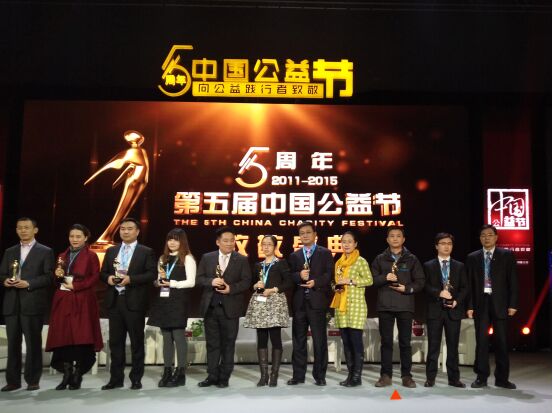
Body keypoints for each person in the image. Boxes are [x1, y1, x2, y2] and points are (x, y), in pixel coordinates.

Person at [100, 217, 156, 390]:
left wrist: (130, 279)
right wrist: (109, 278)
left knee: (136, 342)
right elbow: (103, 273)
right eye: (122, 228)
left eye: (129, 228)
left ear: (137, 231)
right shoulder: (112, 251)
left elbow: (151, 274)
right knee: (115, 343)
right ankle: (116, 378)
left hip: (134, 303)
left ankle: (136, 378)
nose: (125, 231)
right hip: (114, 301)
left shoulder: (146, 251)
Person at [45, 224, 103, 390]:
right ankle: (67, 374)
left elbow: (95, 277)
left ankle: (78, 374)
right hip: (63, 299)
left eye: (78, 236)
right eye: (72, 236)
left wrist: (77, 286)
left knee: (81, 336)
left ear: (86, 238)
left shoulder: (91, 255)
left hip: (82, 298)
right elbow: (57, 278)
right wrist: (57, 276)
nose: (75, 239)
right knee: (64, 336)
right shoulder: (62, 255)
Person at [0, 217, 54, 392]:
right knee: (13, 344)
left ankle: (32, 379)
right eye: (20, 228)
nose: (23, 230)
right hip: (11, 304)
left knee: (33, 343)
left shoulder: (45, 251)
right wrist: (5, 281)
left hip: (32, 303)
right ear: (16, 230)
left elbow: (49, 277)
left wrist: (28, 283)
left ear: (35, 230)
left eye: (27, 227)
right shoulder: (10, 251)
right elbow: (2, 274)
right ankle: (13, 381)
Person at [196, 226, 251, 388]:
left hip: (231, 308)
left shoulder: (241, 259)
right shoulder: (207, 258)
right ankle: (212, 375)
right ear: (218, 242)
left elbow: (246, 281)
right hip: (211, 307)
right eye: (225, 241)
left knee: (228, 344)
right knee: (212, 344)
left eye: (232, 240)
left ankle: (224, 377)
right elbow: (199, 279)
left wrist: (230, 289)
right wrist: (211, 281)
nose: (229, 243)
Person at [371, 226, 424, 388]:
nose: (395, 238)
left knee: (405, 342)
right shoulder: (380, 259)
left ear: (403, 239)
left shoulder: (412, 259)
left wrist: (406, 289)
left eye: (398, 236)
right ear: (387, 239)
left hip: (405, 305)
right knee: (386, 342)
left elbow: (420, 281)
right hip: (385, 305)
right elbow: (371, 280)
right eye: (392, 236)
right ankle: (385, 376)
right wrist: (384, 277)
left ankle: (406, 376)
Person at [466, 224, 518, 389]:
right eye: (483, 235)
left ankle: (502, 379)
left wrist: (513, 304)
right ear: (479, 238)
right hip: (480, 303)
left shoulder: (506, 255)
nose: (486, 238)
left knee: (501, 341)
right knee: (481, 342)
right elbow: (469, 285)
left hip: (500, 303)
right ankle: (481, 377)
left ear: (496, 237)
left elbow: (513, 281)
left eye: (489, 235)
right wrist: (470, 306)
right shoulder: (473, 257)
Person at [147, 228, 196, 387]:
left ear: (182, 241)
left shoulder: (187, 258)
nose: (172, 242)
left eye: (176, 239)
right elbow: (159, 279)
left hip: (179, 300)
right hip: (164, 300)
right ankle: (167, 371)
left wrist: (172, 283)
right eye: (170, 239)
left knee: (178, 336)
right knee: (166, 337)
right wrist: (158, 282)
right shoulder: (163, 258)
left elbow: (191, 282)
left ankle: (180, 372)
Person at [287, 221, 333, 386]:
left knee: (319, 340)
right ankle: (298, 375)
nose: (305, 235)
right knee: (298, 340)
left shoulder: (325, 253)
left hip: (317, 302)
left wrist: (316, 282)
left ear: (315, 234)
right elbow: (290, 277)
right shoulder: (295, 255)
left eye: (308, 232)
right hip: (299, 303)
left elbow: (329, 275)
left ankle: (320, 376)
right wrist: (299, 275)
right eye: (302, 233)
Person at [243, 235, 292, 387]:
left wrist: (273, 289)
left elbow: (289, 282)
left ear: (275, 247)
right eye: (263, 244)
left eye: (269, 244)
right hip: (260, 304)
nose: (266, 247)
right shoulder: (258, 265)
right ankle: (264, 375)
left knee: (275, 337)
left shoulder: (281, 263)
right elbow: (250, 284)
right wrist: (255, 286)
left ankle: (274, 375)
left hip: (275, 302)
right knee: (261, 338)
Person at [423, 232, 468, 388]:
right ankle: (430, 378)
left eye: (449, 243)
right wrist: (438, 293)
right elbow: (424, 286)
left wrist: (456, 301)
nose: (446, 246)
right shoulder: (428, 265)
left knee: (453, 346)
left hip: (453, 311)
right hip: (435, 310)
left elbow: (464, 288)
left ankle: (454, 378)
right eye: (443, 243)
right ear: (437, 246)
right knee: (433, 346)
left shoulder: (459, 266)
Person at [330, 231, 373, 387]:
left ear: (355, 244)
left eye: (349, 241)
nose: (346, 244)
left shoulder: (360, 261)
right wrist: (336, 287)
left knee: (355, 341)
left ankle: (357, 376)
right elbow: (336, 281)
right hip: (341, 306)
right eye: (344, 242)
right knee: (346, 342)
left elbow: (369, 280)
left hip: (356, 306)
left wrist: (351, 280)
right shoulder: (339, 262)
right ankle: (350, 375)